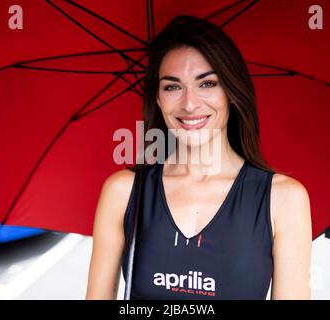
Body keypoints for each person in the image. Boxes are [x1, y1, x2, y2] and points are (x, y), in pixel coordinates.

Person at [86, 15, 312, 300]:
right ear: (157, 98)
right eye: (172, 86)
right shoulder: (124, 190)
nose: (189, 104)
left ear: (231, 91)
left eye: (207, 84)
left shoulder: (283, 199)